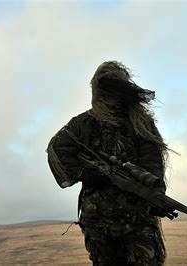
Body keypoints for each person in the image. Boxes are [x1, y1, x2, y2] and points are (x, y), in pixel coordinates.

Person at [47, 61, 169, 265]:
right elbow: (58, 150)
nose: (113, 96)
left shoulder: (140, 123)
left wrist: (156, 197)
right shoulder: (83, 123)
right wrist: (85, 173)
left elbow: (152, 162)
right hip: (98, 221)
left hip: (137, 218)